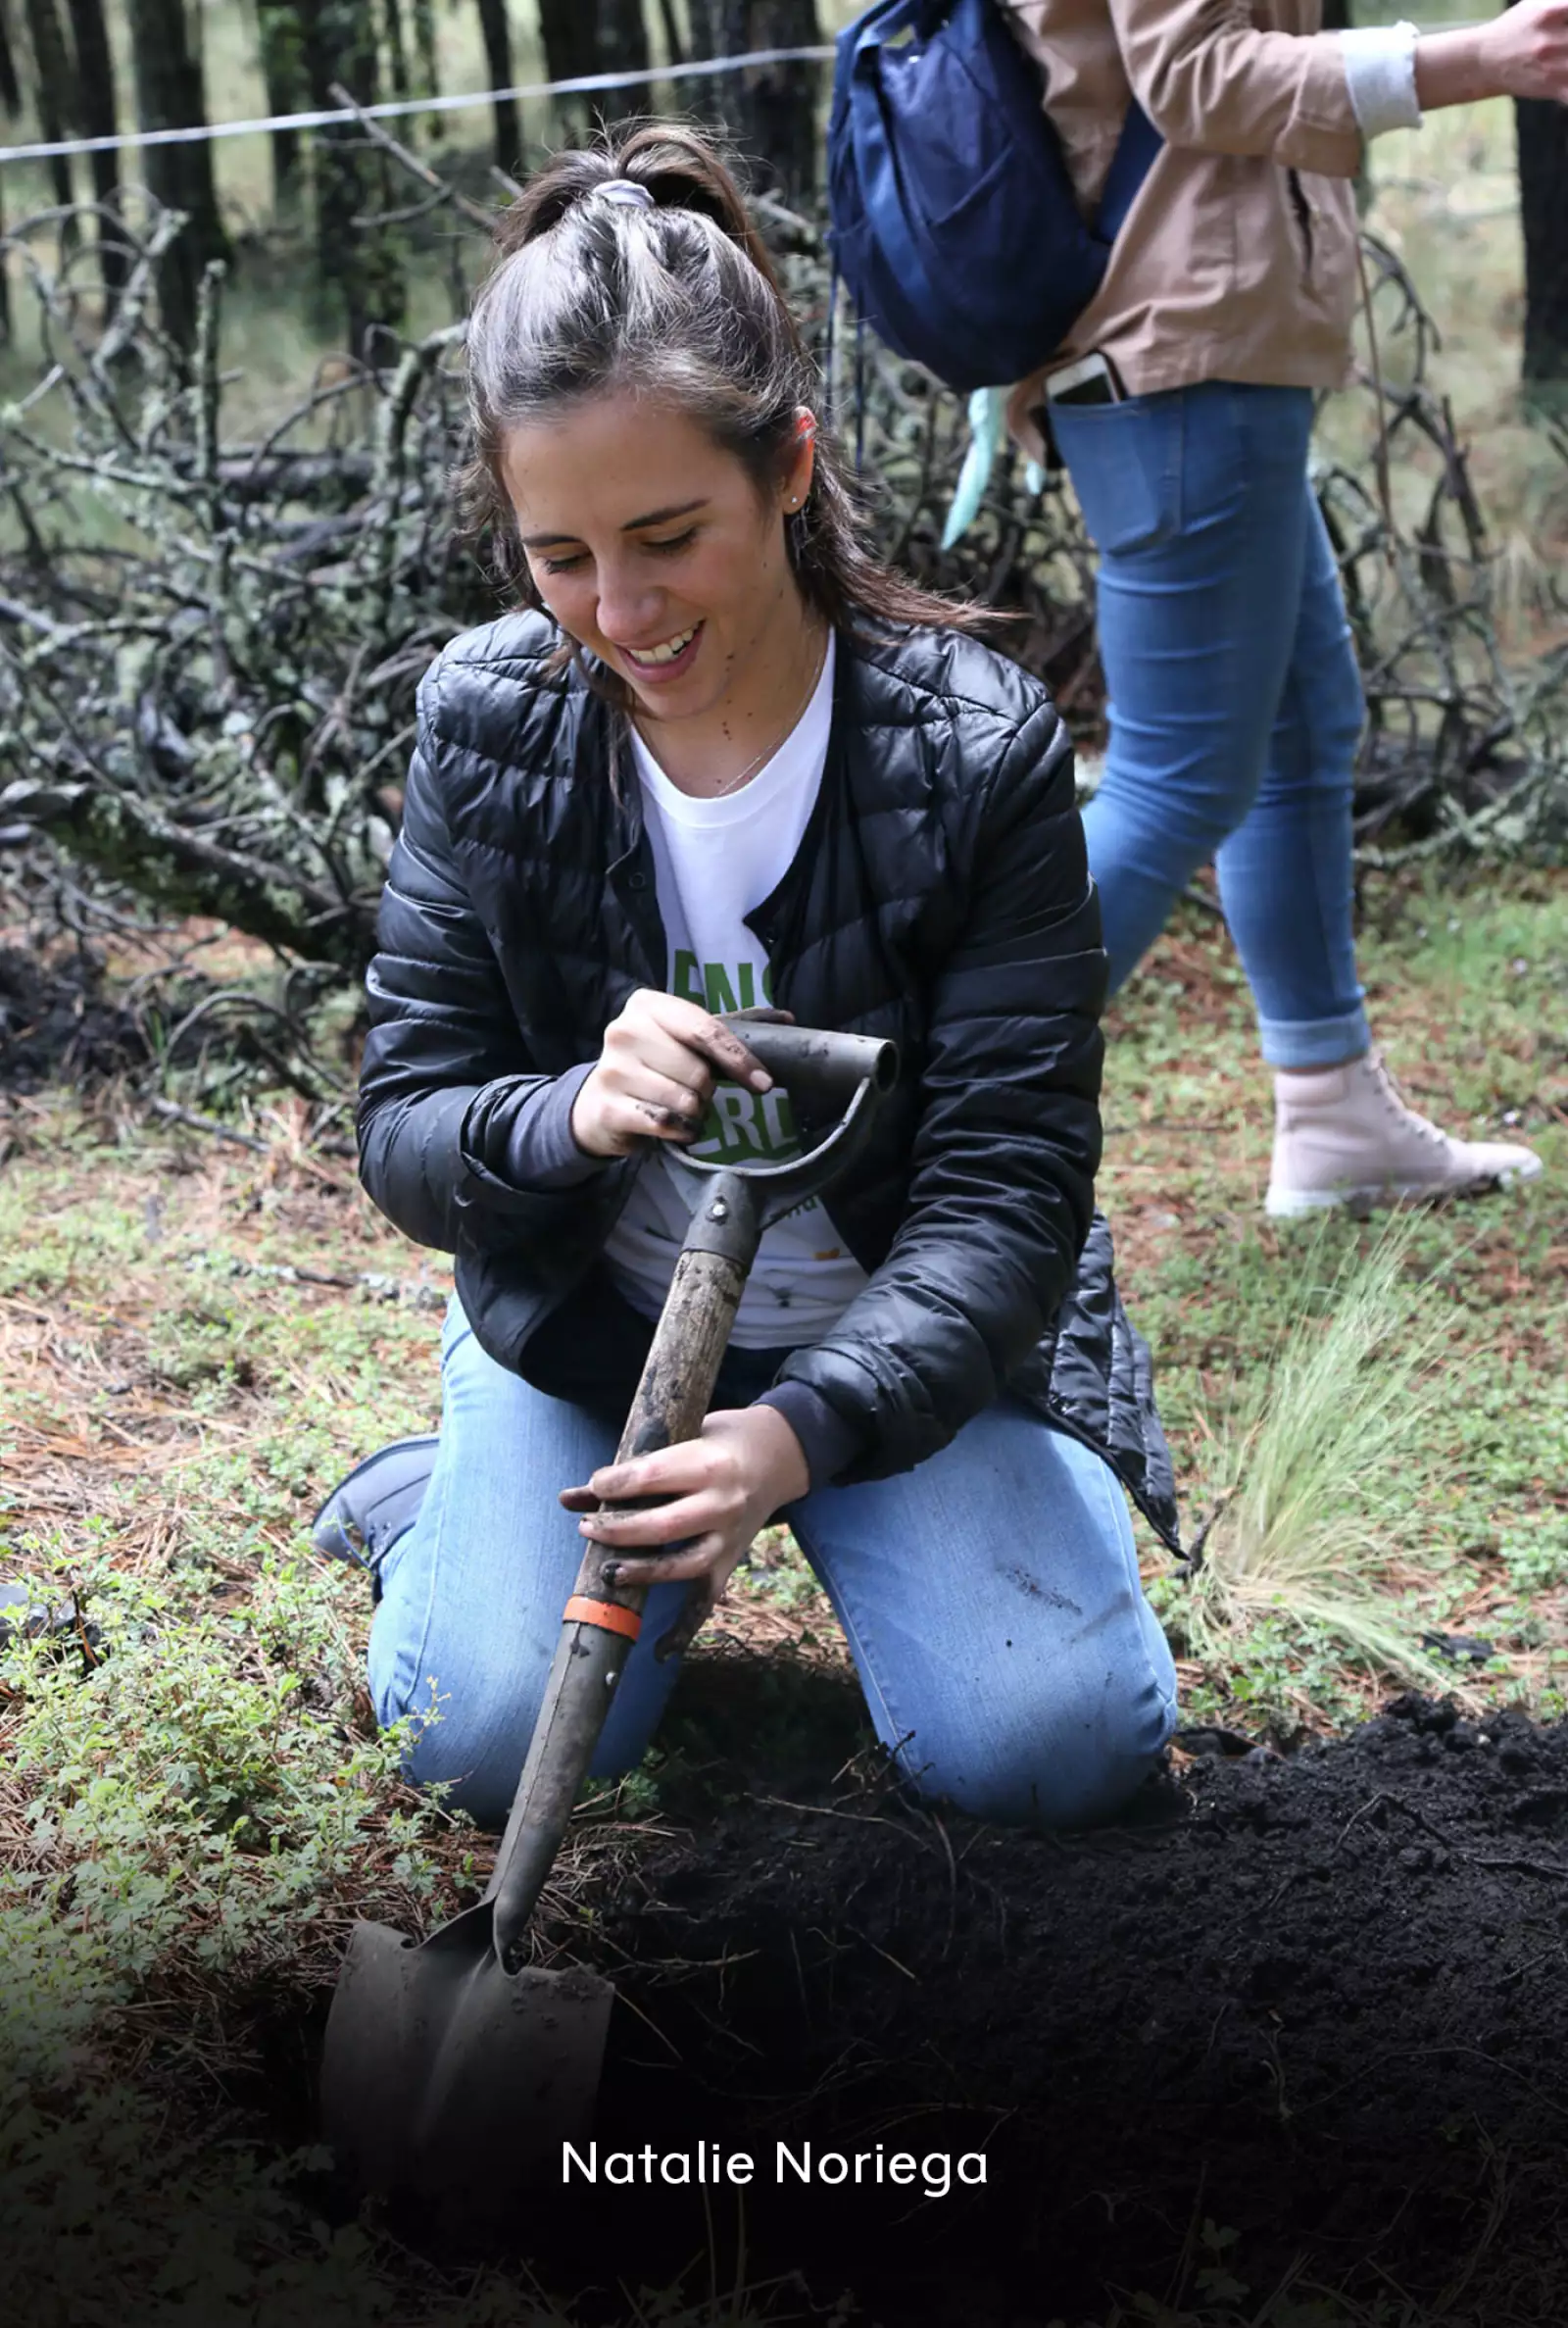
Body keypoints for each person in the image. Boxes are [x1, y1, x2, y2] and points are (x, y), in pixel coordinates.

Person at [314, 124, 1182, 1836]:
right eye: (561, 557)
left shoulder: (973, 750)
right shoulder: (490, 721)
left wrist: (799, 1435)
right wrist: (569, 1111)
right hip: (594, 1338)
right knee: (477, 1740)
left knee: (1052, 1747)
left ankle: (867, 1519)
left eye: (667, 535)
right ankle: (452, 1503)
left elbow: (1009, 1195)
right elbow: (409, 1129)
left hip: (892, 1347)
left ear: (788, 464)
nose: (619, 609)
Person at [1000, 0, 1564, 1215]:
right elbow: (1196, 76)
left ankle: (1331, 1111)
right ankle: (914, 1106)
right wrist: (1479, 59)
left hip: (1204, 344)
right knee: (1177, 776)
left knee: (1302, 726)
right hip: (1176, 352)